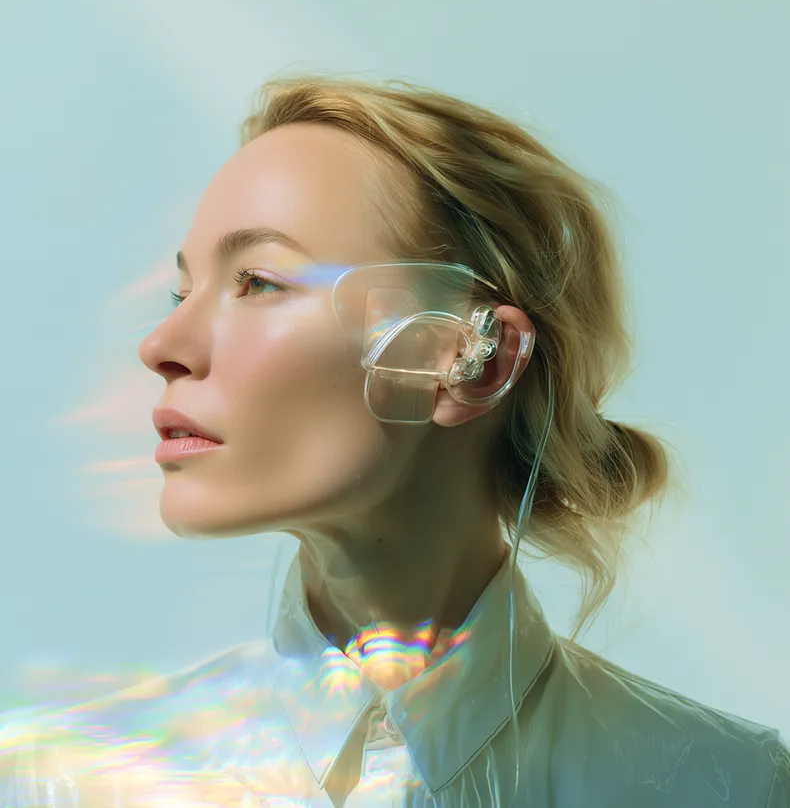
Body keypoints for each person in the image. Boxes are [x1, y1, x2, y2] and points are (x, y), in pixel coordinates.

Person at [1, 73, 788, 807]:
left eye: (260, 282)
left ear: (471, 359)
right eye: (184, 289)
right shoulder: (67, 777)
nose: (162, 344)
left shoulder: (727, 783)